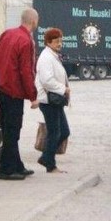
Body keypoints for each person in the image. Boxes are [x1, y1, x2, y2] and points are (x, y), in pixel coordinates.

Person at [0, 8, 39, 180]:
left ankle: (16, 164)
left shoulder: (7, 34)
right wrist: (33, 95)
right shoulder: (26, 41)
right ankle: (7, 169)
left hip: (1, 88)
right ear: (34, 22)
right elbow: (26, 71)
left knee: (6, 127)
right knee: (13, 130)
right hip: (14, 91)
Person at [35, 27, 71, 173]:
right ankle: (49, 163)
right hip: (48, 101)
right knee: (55, 132)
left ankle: (46, 157)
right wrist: (64, 89)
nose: (59, 44)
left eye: (61, 41)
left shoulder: (53, 55)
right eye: (56, 41)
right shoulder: (46, 57)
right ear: (48, 42)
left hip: (55, 100)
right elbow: (47, 80)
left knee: (64, 131)